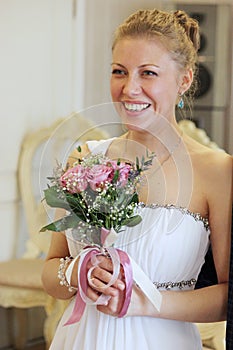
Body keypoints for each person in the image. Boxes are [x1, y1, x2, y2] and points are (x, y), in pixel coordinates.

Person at [41, 8, 232, 349]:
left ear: (184, 80)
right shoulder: (86, 157)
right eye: (119, 71)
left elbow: (226, 297)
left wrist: (147, 302)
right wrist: (77, 273)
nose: (130, 88)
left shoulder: (218, 171)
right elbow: (51, 271)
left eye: (148, 73)